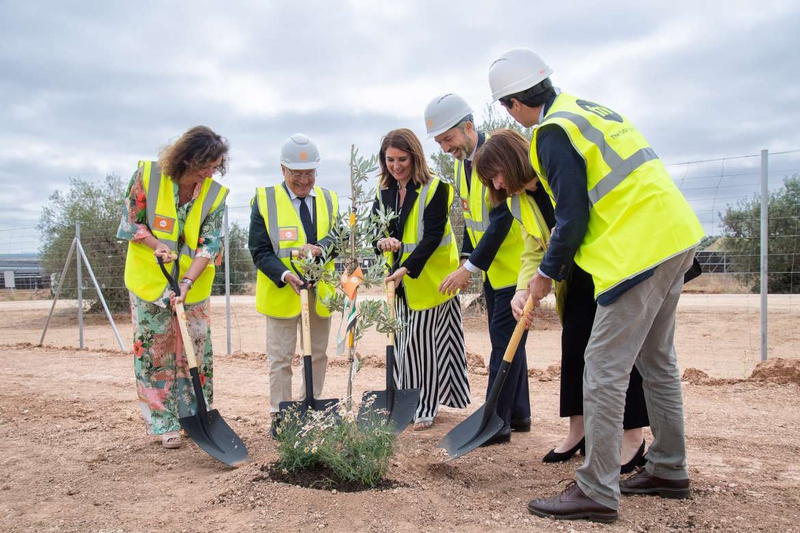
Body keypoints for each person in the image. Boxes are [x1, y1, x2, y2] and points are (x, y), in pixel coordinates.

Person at [488, 48, 704, 523]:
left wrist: (544, 276)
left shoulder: (550, 133)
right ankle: (669, 468)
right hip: (676, 235)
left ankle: (597, 488)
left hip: (637, 252)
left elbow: (571, 218)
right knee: (657, 362)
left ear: (511, 104)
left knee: (603, 367)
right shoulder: (590, 111)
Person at [474, 129, 651, 470]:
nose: (496, 186)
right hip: (569, 277)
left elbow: (582, 217)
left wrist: (554, 256)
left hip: (602, 269)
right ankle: (578, 431)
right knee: (573, 351)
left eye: (495, 175)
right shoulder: (518, 200)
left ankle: (633, 438)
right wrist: (522, 290)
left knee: (616, 353)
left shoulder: (552, 172)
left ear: (511, 161)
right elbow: (532, 247)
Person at [424, 94, 529, 445]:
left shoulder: (495, 159)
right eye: (439, 142)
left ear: (469, 127)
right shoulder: (460, 165)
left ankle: (495, 420)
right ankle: (519, 413)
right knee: (512, 341)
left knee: (504, 343)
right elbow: (473, 220)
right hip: (494, 270)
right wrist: (469, 260)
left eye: (448, 139)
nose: (444, 148)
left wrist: (469, 267)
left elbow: (499, 221)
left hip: (517, 269)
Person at [117, 125, 230, 450]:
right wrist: (156, 246)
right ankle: (163, 423)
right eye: (204, 166)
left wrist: (185, 282)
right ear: (185, 159)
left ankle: (194, 417)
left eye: (215, 166)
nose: (210, 173)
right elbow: (131, 222)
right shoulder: (148, 177)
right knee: (155, 351)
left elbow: (209, 245)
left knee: (195, 352)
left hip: (191, 285)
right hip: (150, 280)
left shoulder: (213, 194)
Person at [372, 128, 470, 431]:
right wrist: (382, 243)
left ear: (415, 157)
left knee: (422, 346)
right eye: (390, 160)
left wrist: (405, 268)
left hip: (431, 282)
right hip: (400, 287)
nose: (396, 166)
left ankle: (424, 407)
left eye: (402, 159)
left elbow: (430, 238)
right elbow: (376, 231)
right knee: (404, 346)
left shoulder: (436, 188)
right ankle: (405, 401)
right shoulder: (383, 191)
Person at [248, 133, 339, 438]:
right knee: (281, 358)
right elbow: (259, 250)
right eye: (297, 174)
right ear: (283, 170)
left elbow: (335, 239)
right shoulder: (264, 200)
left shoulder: (329, 199)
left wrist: (321, 249)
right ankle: (281, 415)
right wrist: (285, 275)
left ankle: (308, 409)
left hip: (319, 293)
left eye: (309, 174)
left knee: (318, 354)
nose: (304, 181)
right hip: (282, 292)